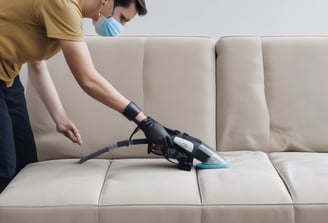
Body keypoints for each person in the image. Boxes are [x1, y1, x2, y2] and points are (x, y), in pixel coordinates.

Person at [0, 0, 173, 193]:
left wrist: (60, 118)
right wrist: (144, 121)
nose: (121, 27)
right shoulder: (63, 6)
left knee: (25, 163)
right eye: (122, 18)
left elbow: (37, 66)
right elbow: (88, 80)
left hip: (7, 77)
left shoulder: (69, 14)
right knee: (4, 168)